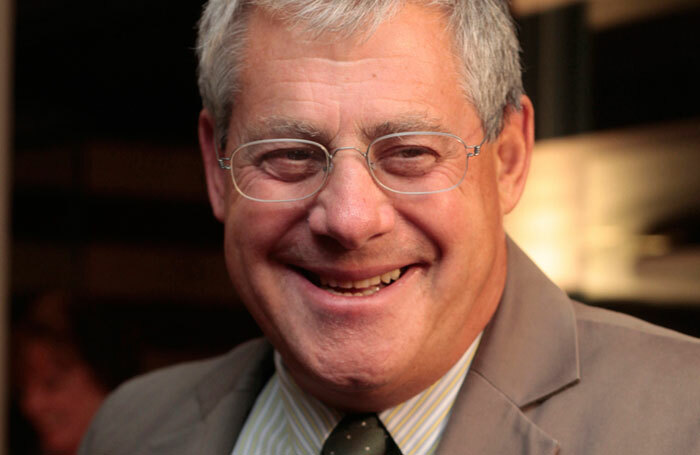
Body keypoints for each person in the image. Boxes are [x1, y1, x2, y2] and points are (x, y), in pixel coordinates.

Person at [79, 1, 700, 454]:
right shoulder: (132, 430)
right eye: (289, 154)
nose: (349, 220)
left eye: (410, 153)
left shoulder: (683, 419)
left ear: (508, 158)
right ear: (217, 168)